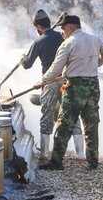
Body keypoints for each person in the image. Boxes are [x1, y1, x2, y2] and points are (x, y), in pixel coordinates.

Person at [37, 14, 103, 170]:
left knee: (64, 124)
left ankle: (56, 162)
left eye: (63, 28)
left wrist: (42, 81)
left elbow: (56, 67)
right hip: (92, 86)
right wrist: (94, 64)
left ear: (72, 27)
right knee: (91, 124)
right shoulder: (94, 39)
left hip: (75, 87)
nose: (62, 32)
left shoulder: (69, 42)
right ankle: (92, 162)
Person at [21, 10, 84, 162]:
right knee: (72, 114)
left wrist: (22, 58)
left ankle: (43, 153)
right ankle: (81, 154)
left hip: (49, 81)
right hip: (66, 79)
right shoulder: (63, 37)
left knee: (47, 115)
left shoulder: (39, 41)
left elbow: (27, 64)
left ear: (38, 27)